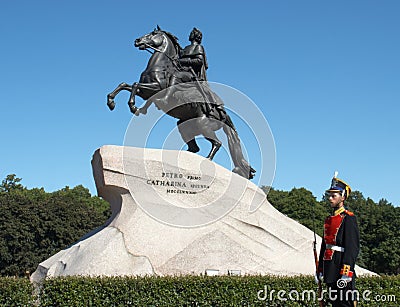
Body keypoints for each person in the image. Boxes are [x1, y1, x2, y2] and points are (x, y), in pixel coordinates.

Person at [317, 175, 360, 307]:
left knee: (344, 303)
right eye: (329, 195)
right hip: (330, 268)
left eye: (334, 195)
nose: (330, 198)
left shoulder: (349, 218)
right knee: (334, 303)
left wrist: (346, 273)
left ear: (343, 197)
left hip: (341, 269)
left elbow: (352, 248)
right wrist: (320, 269)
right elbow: (324, 246)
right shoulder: (329, 219)